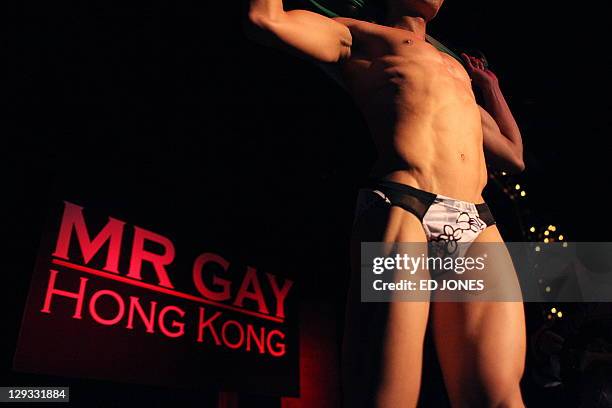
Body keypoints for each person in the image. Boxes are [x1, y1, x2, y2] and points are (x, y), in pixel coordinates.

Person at [245, 0, 526, 406]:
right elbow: (264, 19)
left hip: (474, 220)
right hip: (402, 205)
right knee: (386, 397)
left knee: (498, 398)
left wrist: (491, 87)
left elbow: (513, 155)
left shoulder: (455, 70)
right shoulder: (363, 35)